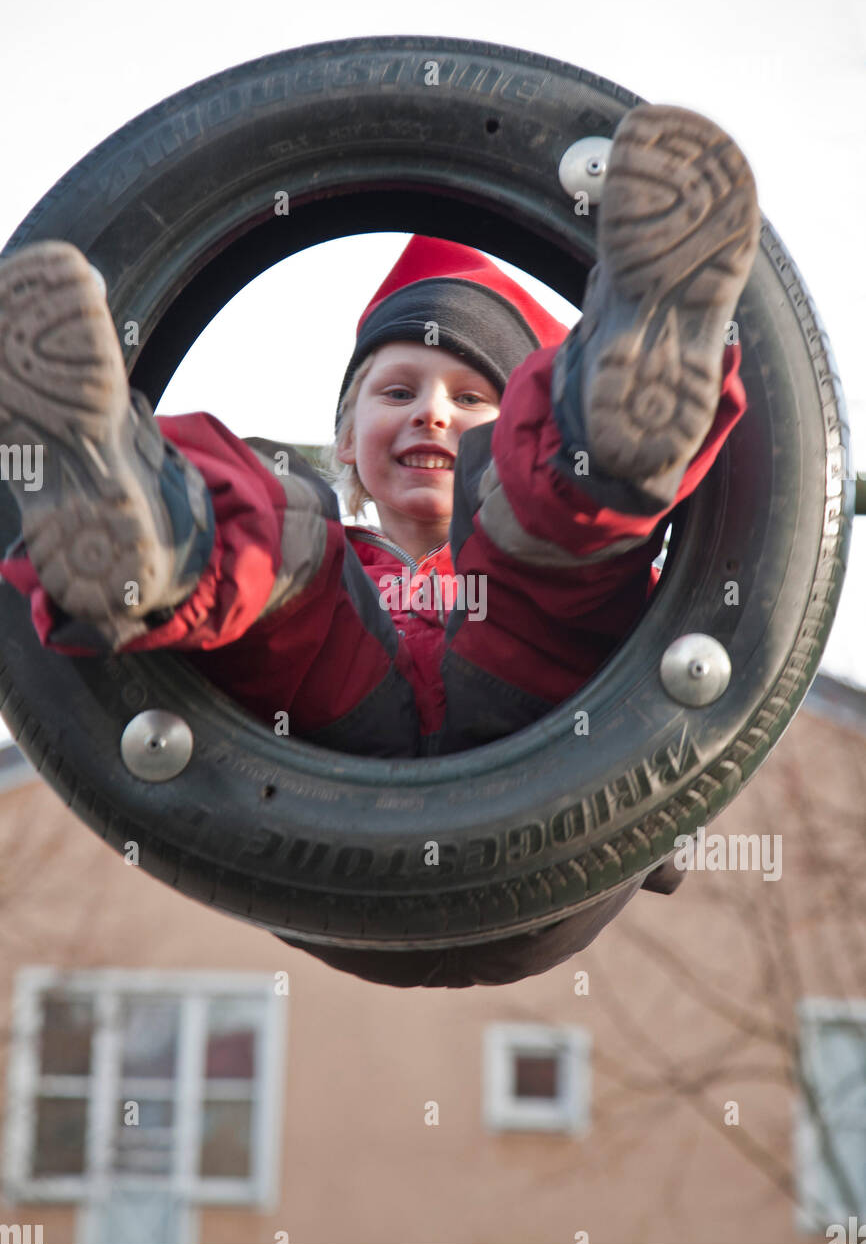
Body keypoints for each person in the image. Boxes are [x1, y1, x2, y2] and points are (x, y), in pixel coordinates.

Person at [0, 103, 760, 987]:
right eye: (397, 390)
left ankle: (620, 419)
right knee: (276, 525)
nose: (431, 411)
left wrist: (676, 786)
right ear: (349, 435)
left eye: (472, 399)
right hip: (326, 785)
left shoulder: (507, 534)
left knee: (554, 539)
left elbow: (687, 662)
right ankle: (137, 529)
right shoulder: (333, 561)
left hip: (550, 798)